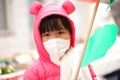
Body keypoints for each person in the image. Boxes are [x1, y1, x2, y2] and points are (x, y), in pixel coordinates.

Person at [24, 0, 96, 80]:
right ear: (39, 38)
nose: (54, 40)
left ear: (71, 33)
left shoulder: (81, 61)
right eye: (47, 35)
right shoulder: (34, 72)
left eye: (60, 32)